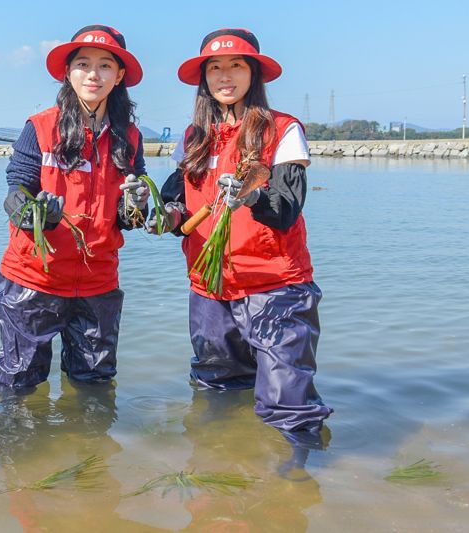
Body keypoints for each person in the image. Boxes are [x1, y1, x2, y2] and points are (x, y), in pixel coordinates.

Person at [148, 28, 332, 437]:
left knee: (289, 404)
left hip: (275, 288)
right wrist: (159, 215)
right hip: (209, 288)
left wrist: (250, 198)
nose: (225, 76)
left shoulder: (282, 130)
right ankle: (224, 467)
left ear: (254, 74)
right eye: (215, 68)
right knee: (216, 391)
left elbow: (285, 210)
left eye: (236, 66)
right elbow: (174, 205)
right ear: (204, 78)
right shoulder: (194, 137)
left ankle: (294, 483)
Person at [0, 25, 151, 392]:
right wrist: (34, 215)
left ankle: (88, 448)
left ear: (120, 75)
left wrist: (138, 206)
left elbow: (129, 213)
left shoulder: (129, 137)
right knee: (19, 385)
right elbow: (16, 186)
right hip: (34, 278)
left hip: (98, 280)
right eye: (83, 63)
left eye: (105, 66)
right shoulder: (40, 126)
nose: (93, 74)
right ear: (68, 71)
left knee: (94, 386)